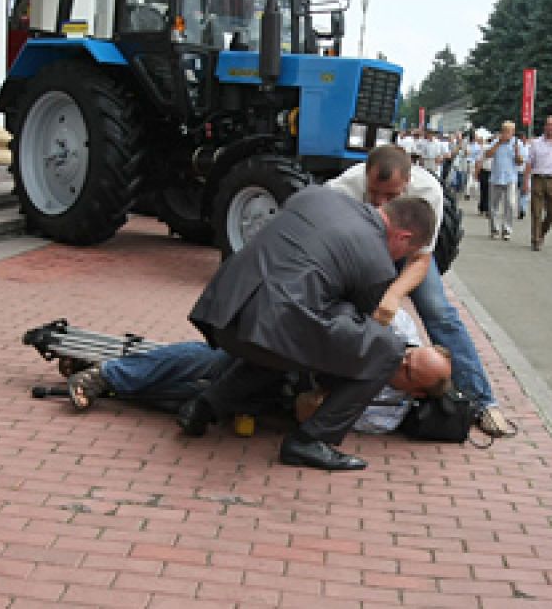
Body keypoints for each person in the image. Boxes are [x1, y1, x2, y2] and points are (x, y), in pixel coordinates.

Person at [181, 191, 436, 471]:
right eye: (406, 254)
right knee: (386, 350)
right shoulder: (378, 264)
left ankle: (203, 408)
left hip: (223, 309)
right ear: (403, 236)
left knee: (295, 336)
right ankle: (310, 440)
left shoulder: (319, 196)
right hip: (267, 331)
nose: (400, 260)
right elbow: (356, 340)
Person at [326, 145, 517, 437]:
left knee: (438, 309)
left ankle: (482, 401)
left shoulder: (428, 190)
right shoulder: (342, 189)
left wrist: (392, 295)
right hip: (361, 252)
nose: (379, 204)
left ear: (408, 182)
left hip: (410, 252)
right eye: (373, 192)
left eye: (390, 196)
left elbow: (420, 259)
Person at [65, 311, 449, 435]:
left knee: (201, 395)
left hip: (281, 400)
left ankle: (110, 375)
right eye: (409, 355)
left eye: (407, 370)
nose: (401, 359)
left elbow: (305, 412)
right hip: (290, 353)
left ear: (414, 394)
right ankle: (105, 376)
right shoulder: (399, 326)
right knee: (214, 360)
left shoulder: (385, 415)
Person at [523, 115, 552, 251]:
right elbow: (529, 163)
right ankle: (536, 240)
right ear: (545, 126)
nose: (551, 128)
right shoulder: (536, 143)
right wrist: (526, 182)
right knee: (536, 211)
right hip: (538, 178)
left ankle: (542, 232)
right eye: (549, 125)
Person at [485, 120, 524, 241]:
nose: (506, 134)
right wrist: (498, 143)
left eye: (509, 131)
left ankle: (507, 229)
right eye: (504, 131)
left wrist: (517, 152)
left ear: (513, 132)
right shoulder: (496, 142)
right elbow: (487, 154)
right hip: (496, 177)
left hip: (510, 178)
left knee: (510, 204)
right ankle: (494, 229)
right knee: (493, 206)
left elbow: (520, 161)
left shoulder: (517, 144)